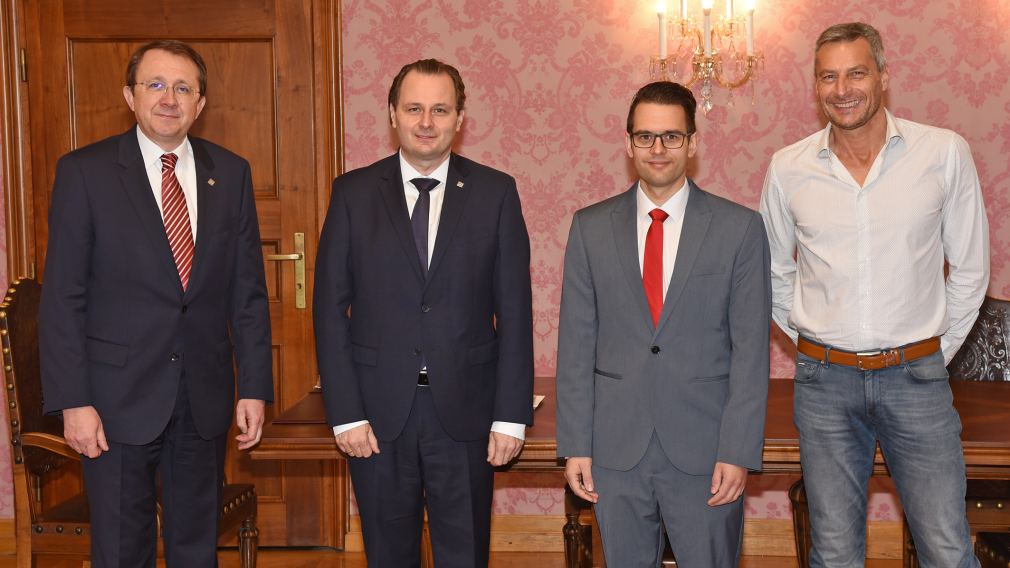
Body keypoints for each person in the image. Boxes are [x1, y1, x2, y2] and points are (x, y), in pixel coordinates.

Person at [759, 22, 988, 567]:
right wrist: (815, 341)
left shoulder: (943, 152)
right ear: (816, 86)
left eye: (856, 73)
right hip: (824, 386)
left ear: (883, 76)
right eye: (828, 77)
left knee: (946, 548)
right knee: (834, 552)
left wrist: (931, 354)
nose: (843, 89)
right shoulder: (788, 167)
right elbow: (772, 273)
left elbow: (971, 270)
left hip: (918, 380)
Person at [38, 40, 273, 567]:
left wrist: (255, 386)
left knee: (196, 549)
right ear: (131, 96)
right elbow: (63, 298)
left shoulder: (230, 172)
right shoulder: (85, 172)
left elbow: (248, 293)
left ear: (200, 103)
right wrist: (74, 401)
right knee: (123, 550)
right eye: (157, 85)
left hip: (203, 398)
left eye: (184, 88)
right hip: (113, 402)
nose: (170, 99)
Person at [313, 58, 534, 567]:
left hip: (467, 413)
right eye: (414, 108)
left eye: (440, 109)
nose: (427, 122)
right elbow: (329, 311)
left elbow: (515, 313)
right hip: (375, 415)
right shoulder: (352, 193)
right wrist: (345, 413)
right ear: (392, 114)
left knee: (465, 555)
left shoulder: (496, 193)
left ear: (460, 118)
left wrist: (510, 416)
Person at [556, 81, 771, 567]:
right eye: (645, 136)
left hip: (707, 450)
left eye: (672, 136)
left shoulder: (739, 228)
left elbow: (751, 352)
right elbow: (576, 346)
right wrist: (575, 446)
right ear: (628, 143)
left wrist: (738, 450)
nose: (658, 149)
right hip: (615, 449)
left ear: (692, 143)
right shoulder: (590, 228)